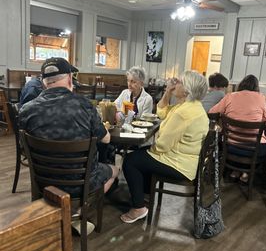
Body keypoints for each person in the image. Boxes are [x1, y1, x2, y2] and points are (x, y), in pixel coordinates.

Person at [19, 57, 119, 199]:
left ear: (43, 82)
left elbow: (23, 147)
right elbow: (106, 140)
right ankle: (80, 208)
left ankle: (65, 208)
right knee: (115, 170)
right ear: (70, 79)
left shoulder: (26, 110)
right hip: (82, 184)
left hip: (43, 182)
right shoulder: (85, 105)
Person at [120, 70, 209, 223]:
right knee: (140, 154)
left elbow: (162, 146)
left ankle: (138, 208)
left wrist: (151, 148)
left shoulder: (183, 113)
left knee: (130, 160)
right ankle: (145, 194)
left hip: (179, 164)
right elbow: (161, 112)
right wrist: (168, 91)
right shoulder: (191, 106)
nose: (175, 84)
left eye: (179, 82)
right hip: (187, 162)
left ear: (187, 89)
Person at [209, 74, 266, 183]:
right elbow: (265, 120)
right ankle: (246, 173)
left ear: (241, 85)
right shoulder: (261, 97)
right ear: (256, 87)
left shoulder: (230, 96)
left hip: (231, 145)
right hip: (254, 148)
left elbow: (212, 112)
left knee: (227, 142)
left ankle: (235, 170)